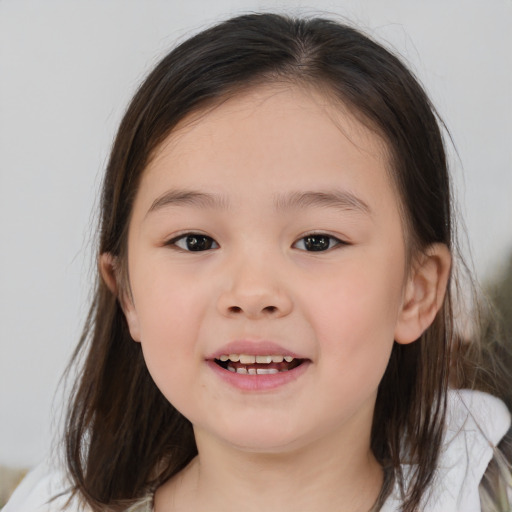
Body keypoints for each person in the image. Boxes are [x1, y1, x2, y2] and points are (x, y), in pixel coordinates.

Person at [4, 12, 511, 512]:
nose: (252, 294)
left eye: (316, 241)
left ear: (417, 292)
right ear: (128, 293)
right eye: (195, 241)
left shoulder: (484, 492)